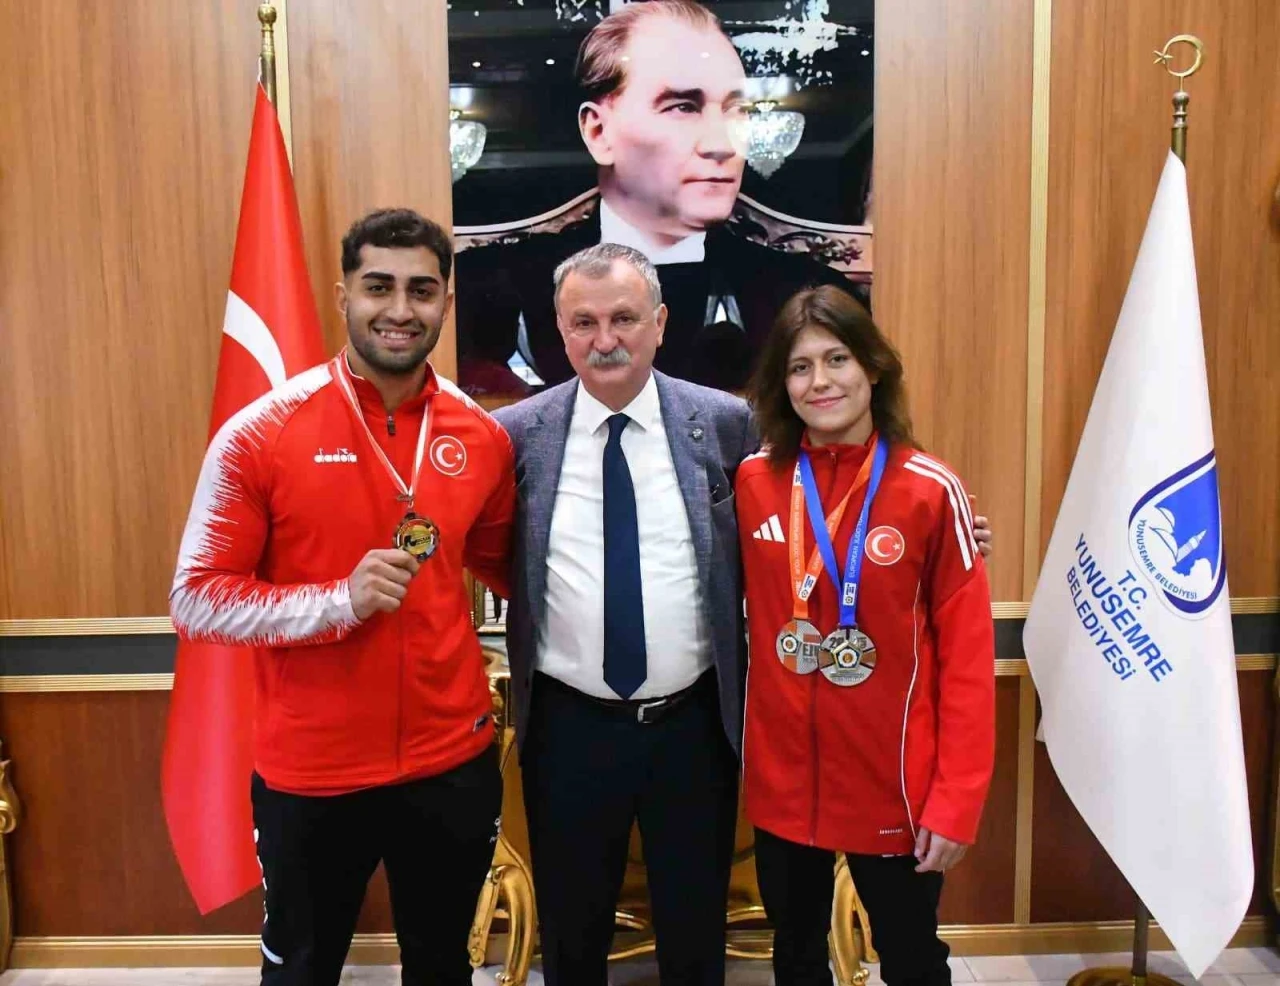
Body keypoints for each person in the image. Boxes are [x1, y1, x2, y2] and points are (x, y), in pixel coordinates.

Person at [169, 208, 516, 986]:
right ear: (343, 295)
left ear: (446, 302)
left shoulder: (482, 436)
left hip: (452, 759)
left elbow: (511, 574)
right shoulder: (261, 431)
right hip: (313, 771)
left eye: (421, 290)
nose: (400, 309)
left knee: (443, 966)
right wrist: (338, 602)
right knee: (302, 969)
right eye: (378, 286)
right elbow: (195, 598)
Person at [493, 242, 755, 986]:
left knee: (694, 934)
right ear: (559, 330)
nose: (604, 339)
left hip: (693, 726)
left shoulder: (726, 422)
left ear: (660, 324)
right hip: (568, 727)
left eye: (624, 319)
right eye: (583, 322)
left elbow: (798, 518)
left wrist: (936, 531)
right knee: (572, 937)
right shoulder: (517, 433)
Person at [734, 285, 996, 986]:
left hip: (894, 787)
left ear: (873, 368)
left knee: (911, 959)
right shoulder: (754, 482)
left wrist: (957, 800)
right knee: (795, 956)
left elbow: (968, 661)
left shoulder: (930, 490)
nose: (819, 382)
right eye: (799, 367)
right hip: (784, 784)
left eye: (837, 359)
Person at [456, 0, 857, 396]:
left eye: (736, 109)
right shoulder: (495, 287)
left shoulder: (799, 293)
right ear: (599, 132)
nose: (722, 144)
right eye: (682, 107)